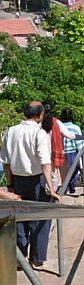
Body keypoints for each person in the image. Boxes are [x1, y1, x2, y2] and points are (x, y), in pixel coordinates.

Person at [0, 101, 62, 267]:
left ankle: (19, 258)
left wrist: (10, 184)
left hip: (17, 179)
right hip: (37, 180)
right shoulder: (39, 133)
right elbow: (45, 163)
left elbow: (5, 162)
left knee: (19, 217)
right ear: (40, 115)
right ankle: (36, 257)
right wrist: (51, 187)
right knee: (40, 217)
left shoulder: (11, 131)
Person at [60, 108, 84, 195]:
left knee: (63, 172)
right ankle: (72, 187)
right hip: (72, 152)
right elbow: (80, 143)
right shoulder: (75, 127)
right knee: (74, 170)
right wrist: (83, 153)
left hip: (62, 152)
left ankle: (65, 188)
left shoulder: (59, 126)